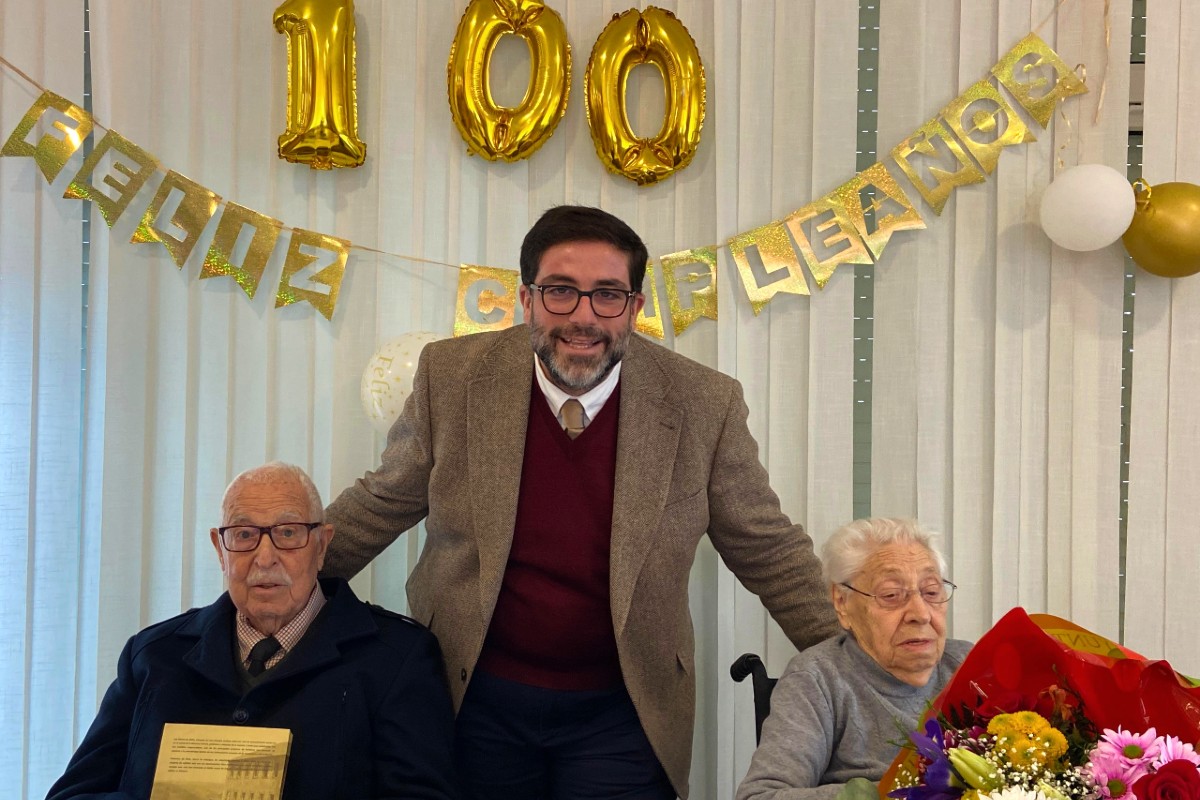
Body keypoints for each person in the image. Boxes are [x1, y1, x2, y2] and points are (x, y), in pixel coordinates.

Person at [323, 205, 840, 800]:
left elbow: (767, 548)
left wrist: (861, 664)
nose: (584, 317)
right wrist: (278, 583)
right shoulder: (454, 377)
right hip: (470, 695)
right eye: (561, 293)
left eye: (608, 296)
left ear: (636, 308)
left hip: (624, 711)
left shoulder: (703, 404)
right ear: (526, 299)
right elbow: (381, 502)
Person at [46, 462, 459, 800]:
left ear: (322, 545)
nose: (265, 558)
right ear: (219, 550)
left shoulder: (396, 658)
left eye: (288, 534)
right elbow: (74, 794)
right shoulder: (154, 655)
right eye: (243, 535)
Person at [736, 517, 972, 800]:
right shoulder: (817, 680)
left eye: (931, 592)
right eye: (891, 595)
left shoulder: (970, 665)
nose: (920, 614)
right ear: (842, 603)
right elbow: (759, 796)